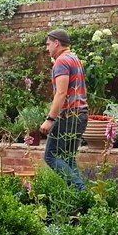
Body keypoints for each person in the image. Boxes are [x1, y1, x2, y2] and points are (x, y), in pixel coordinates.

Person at [40, 29, 88, 190]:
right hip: (80, 116)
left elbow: (61, 93)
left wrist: (50, 119)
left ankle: (81, 190)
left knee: (51, 156)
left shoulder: (61, 61)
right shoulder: (74, 58)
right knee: (68, 158)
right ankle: (82, 199)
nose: (47, 48)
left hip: (69, 116)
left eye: (48, 44)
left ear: (56, 43)